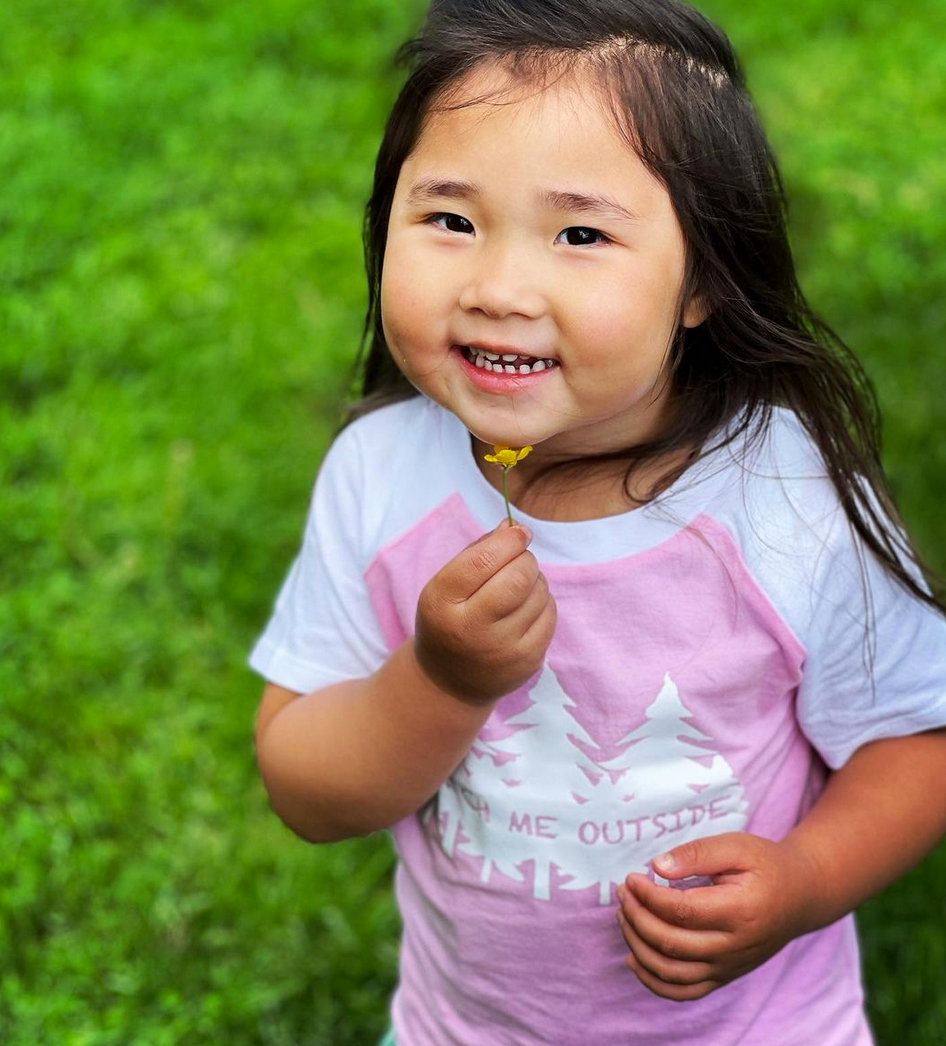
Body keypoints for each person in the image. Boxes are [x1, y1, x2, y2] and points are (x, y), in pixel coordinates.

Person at [249, 1, 946, 1042]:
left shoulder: (783, 495)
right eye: (450, 219)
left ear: (705, 277)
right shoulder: (381, 475)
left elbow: (915, 743)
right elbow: (305, 787)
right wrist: (436, 681)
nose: (497, 287)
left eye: (579, 233)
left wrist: (801, 880)